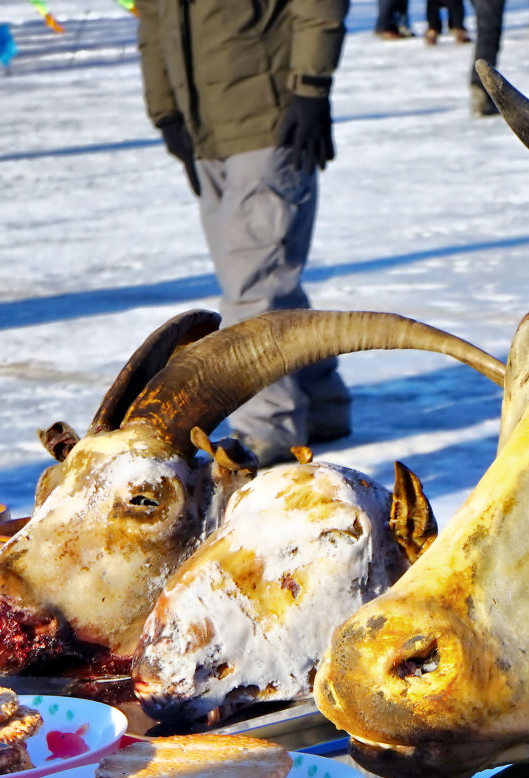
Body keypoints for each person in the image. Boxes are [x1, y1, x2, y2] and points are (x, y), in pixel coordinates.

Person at [138, 0, 351, 462]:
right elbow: (153, 19)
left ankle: (266, 432)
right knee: (261, 280)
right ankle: (318, 404)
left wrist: (311, 89)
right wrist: (167, 112)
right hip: (203, 128)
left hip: (269, 121)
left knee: (252, 287)